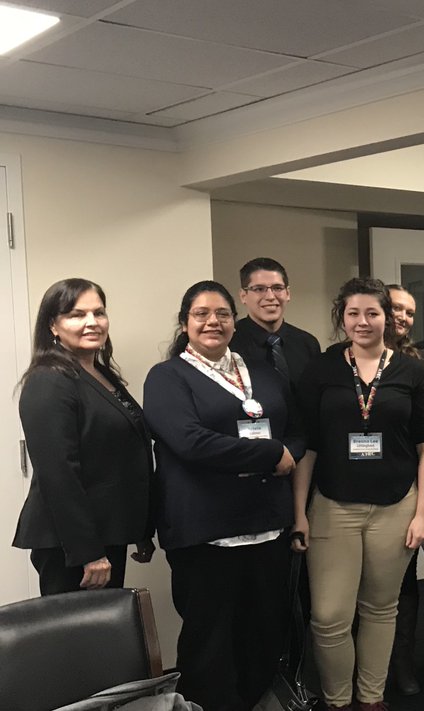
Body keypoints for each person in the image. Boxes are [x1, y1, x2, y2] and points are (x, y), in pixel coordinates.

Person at [144, 280, 304, 710]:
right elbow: (190, 442)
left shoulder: (263, 373)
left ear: (234, 321)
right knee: (209, 643)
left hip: (266, 527)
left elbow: (297, 430)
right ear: (185, 323)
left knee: (263, 634)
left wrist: (290, 451)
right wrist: (272, 454)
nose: (212, 321)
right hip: (207, 533)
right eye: (201, 314)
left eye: (222, 314)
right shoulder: (167, 377)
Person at [291, 277, 424, 711]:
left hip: (396, 507)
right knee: (329, 617)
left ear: (387, 318)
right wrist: (299, 512)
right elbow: (307, 447)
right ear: (342, 317)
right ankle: (338, 701)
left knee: (380, 608)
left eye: (372, 313)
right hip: (333, 506)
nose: (362, 321)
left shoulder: (412, 372)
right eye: (353, 313)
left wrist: (423, 513)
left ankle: (371, 699)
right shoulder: (322, 369)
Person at [13, 278, 154, 596]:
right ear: (53, 325)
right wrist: (87, 551)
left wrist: (140, 528)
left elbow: (120, 456)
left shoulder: (100, 374)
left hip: (106, 534)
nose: (92, 322)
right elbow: (58, 474)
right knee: (75, 629)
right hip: (73, 546)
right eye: (77, 315)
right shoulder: (49, 380)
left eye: (99, 313)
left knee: (106, 626)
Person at [385, 282, 423, 696]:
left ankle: (403, 664)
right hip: (354, 487)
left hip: (406, 483)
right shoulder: (341, 360)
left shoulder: (416, 363)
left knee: (405, 581)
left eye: (409, 312)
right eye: (396, 308)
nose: (403, 317)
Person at [229, 257, 321, 391]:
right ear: (243, 296)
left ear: (287, 293)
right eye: (259, 289)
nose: (270, 296)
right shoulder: (229, 343)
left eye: (277, 288)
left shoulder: (307, 344)